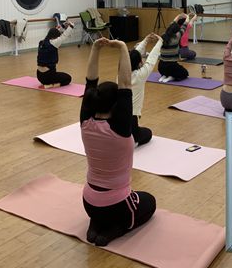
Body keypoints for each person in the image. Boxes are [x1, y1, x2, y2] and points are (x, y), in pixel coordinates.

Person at [80, 38, 156, 247]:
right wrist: (123, 47)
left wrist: (96, 48)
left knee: (102, 209)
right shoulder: (120, 128)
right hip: (117, 205)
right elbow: (125, 83)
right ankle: (116, 230)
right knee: (149, 202)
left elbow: (90, 81)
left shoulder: (85, 122)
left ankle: (95, 224)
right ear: (116, 105)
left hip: (88, 202)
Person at [129, 33, 163, 145]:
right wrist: (160, 42)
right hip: (130, 118)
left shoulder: (121, 72)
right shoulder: (140, 75)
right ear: (140, 62)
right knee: (148, 133)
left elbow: (132, 55)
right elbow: (151, 59)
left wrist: (145, 40)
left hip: (117, 116)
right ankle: (131, 140)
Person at [36, 20, 75, 87]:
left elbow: (55, 30)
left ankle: (47, 83)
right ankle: (49, 85)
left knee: (59, 75)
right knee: (68, 78)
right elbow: (64, 36)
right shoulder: (54, 43)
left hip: (39, 75)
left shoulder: (42, 42)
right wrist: (71, 26)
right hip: (48, 76)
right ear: (56, 36)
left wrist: (63, 25)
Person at [157, 13, 189, 83]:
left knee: (167, 67)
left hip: (161, 67)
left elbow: (171, 25)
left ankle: (164, 75)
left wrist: (179, 16)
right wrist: (187, 17)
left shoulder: (163, 35)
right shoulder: (176, 37)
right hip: (171, 67)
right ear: (176, 31)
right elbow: (184, 26)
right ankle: (171, 77)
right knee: (185, 73)